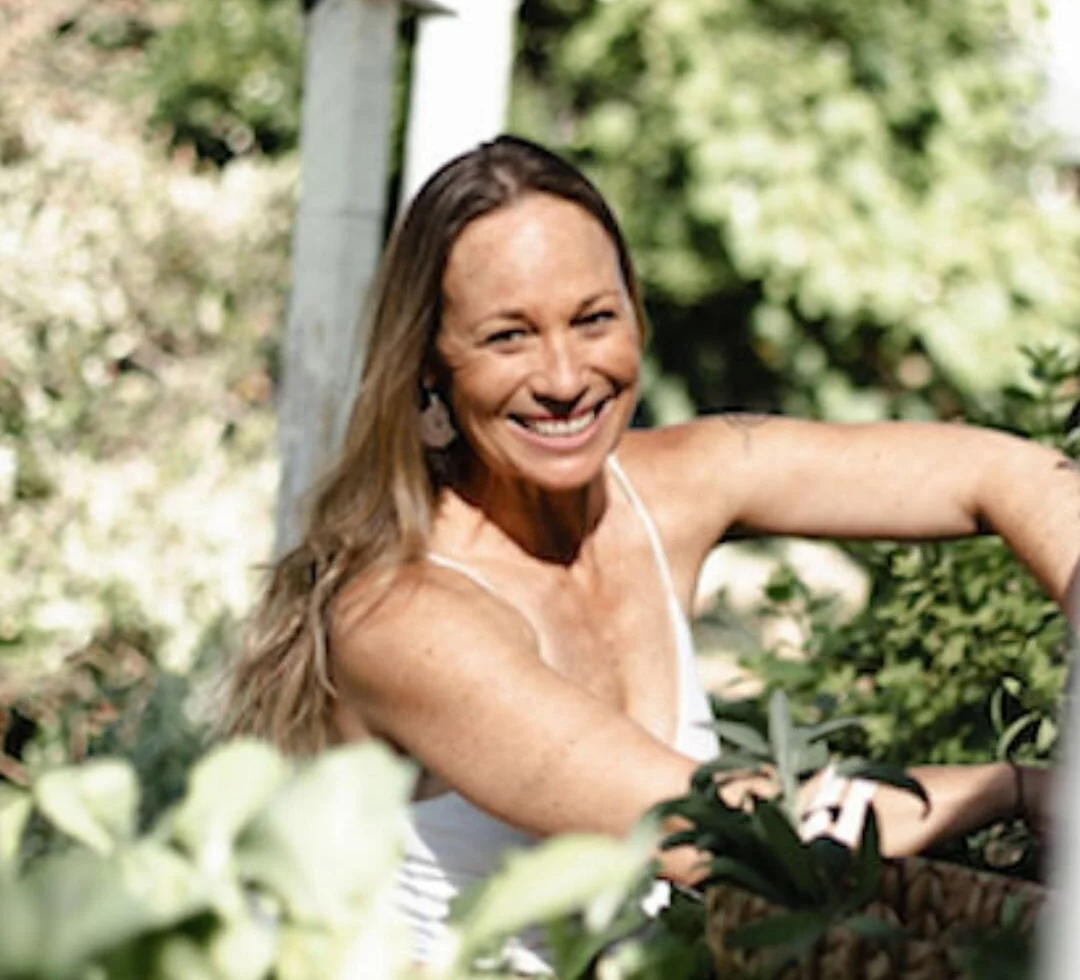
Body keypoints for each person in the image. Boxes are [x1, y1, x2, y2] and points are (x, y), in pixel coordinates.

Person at [224, 135, 1080, 971]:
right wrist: (1011, 789)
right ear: (429, 364)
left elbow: (1002, 474)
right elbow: (731, 837)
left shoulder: (668, 487)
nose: (564, 378)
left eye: (593, 319)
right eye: (509, 337)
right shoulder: (405, 620)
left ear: (635, 313)